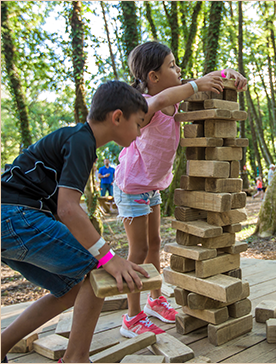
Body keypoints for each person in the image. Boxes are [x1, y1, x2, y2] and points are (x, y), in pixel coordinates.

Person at [1, 81, 150, 363]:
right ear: (117, 117)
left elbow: (61, 211)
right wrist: (108, 257)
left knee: (72, 289)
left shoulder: (76, 139)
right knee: (100, 271)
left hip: (9, 223)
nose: (140, 132)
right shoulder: (82, 141)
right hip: (15, 216)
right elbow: (68, 210)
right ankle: (76, 359)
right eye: (139, 123)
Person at [114, 41, 247, 338]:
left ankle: (155, 299)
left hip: (152, 187)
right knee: (138, 250)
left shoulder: (174, 96)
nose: (179, 70)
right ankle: (132, 318)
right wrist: (195, 84)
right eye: (171, 66)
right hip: (132, 186)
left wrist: (229, 74)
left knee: (155, 243)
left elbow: (198, 84)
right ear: (153, 76)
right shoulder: (144, 104)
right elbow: (163, 101)